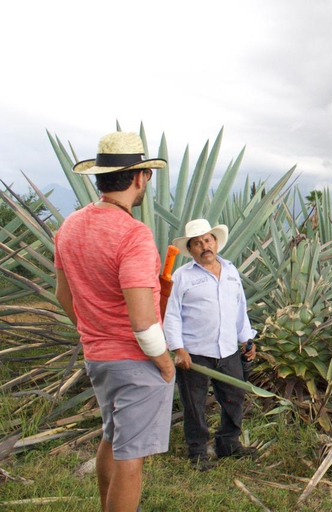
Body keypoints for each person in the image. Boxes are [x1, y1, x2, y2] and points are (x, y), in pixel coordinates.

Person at [55, 132, 175, 512]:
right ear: (140, 177)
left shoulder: (70, 226)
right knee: (131, 460)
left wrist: (94, 333)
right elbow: (142, 320)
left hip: (98, 358)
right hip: (136, 360)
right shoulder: (134, 235)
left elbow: (63, 294)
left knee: (112, 437)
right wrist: (165, 361)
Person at [163, 219, 257, 471]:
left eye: (208, 240)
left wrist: (247, 339)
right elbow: (170, 314)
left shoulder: (231, 271)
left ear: (215, 242)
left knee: (234, 398)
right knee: (194, 404)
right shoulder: (182, 277)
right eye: (197, 243)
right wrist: (178, 348)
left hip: (227, 351)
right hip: (195, 353)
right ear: (190, 249)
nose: (204, 246)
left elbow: (240, 308)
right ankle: (197, 453)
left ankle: (228, 444)